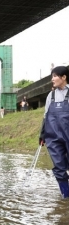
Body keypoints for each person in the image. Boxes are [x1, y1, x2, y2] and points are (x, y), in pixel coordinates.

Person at [39, 66, 69, 198]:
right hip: (53, 137)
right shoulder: (50, 96)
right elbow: (46, 116)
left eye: (55, 76)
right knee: (59, 168)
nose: (52, 79)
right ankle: (65, 196)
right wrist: (42, 134)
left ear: (64, 77)